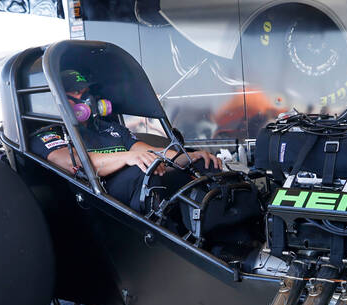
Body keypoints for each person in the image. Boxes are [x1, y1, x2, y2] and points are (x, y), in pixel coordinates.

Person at [30, 69, 222, 211]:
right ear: (58, 101)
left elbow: (148, 151)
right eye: (75, 94)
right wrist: (127, 157)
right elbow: (74, 161)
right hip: (96, 202)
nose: (85, 99)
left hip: (135, 191)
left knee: (201, 165)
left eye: (85, 92)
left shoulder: (110, 128)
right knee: (146, 172)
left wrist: (187, 157)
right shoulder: (49, 133)